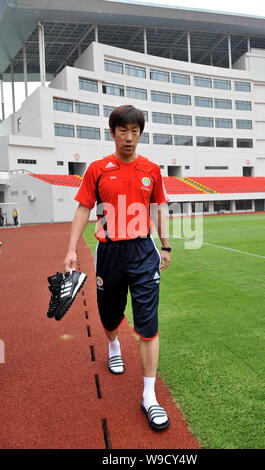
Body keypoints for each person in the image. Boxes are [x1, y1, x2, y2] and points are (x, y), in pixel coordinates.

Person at [63, 105, 171, 431]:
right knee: (109, 315)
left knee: (148, 325)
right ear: (112, 133)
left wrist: (165, 246)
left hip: (142, 252)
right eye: (122, 131)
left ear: (140, 133)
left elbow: (160, 207)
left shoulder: (151, 170)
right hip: (109, 253)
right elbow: (83, 209)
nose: (129, 137)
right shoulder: (97, 169)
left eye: (135, 131)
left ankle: (149, 396)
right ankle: (113, 345)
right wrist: (70, 249)